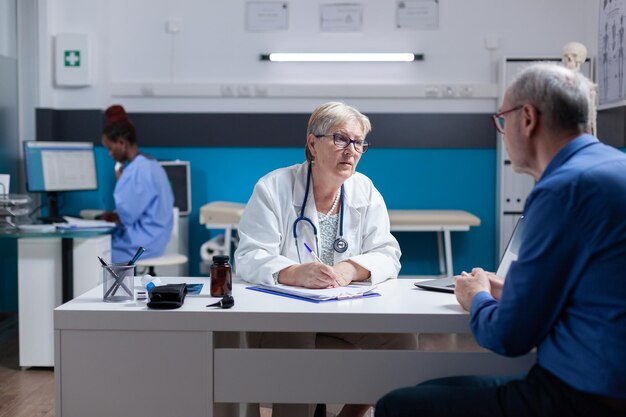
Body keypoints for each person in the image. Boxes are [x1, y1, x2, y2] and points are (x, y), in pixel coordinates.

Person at [375, 63, 626, 417]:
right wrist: (514, 293)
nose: (502, 132)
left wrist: (475, 295)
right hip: (606, 380)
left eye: (502, 119)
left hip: (583, 396)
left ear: (527, 118)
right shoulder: (612, 167)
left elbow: (509, 337)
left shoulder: (562, 189)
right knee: (430, 390)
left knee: (395, 406)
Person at [235, 102, 417, 417]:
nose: (351, 150)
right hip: (286, 311)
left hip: (344, 308)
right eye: (340, 139)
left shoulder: (365, 190)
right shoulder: (273, 188)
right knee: (296, 345)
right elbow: (250, 256)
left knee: (401, 338)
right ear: (312, 144)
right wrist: (293, 273)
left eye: (358, 142)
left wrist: (352, 268)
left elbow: (387, 251)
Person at [100, 105, 174, 263]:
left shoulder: (136, 171)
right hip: (156, 239)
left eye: (110, 148)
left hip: (142, 243)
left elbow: (127, 216)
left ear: (121, 143)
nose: (109, 153)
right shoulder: (151, 164)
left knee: (96, 252)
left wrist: (121, 181)